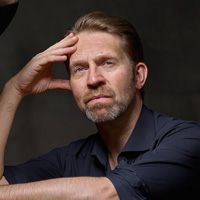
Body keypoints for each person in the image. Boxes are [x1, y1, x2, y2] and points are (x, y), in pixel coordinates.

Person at [0, 11, 200, 200]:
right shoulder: (69, 159)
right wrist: (14, 90)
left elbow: (106, 194)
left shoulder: (189, 139)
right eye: (80, 69)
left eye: (107, 63)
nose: (93, 79)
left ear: (138, 76)